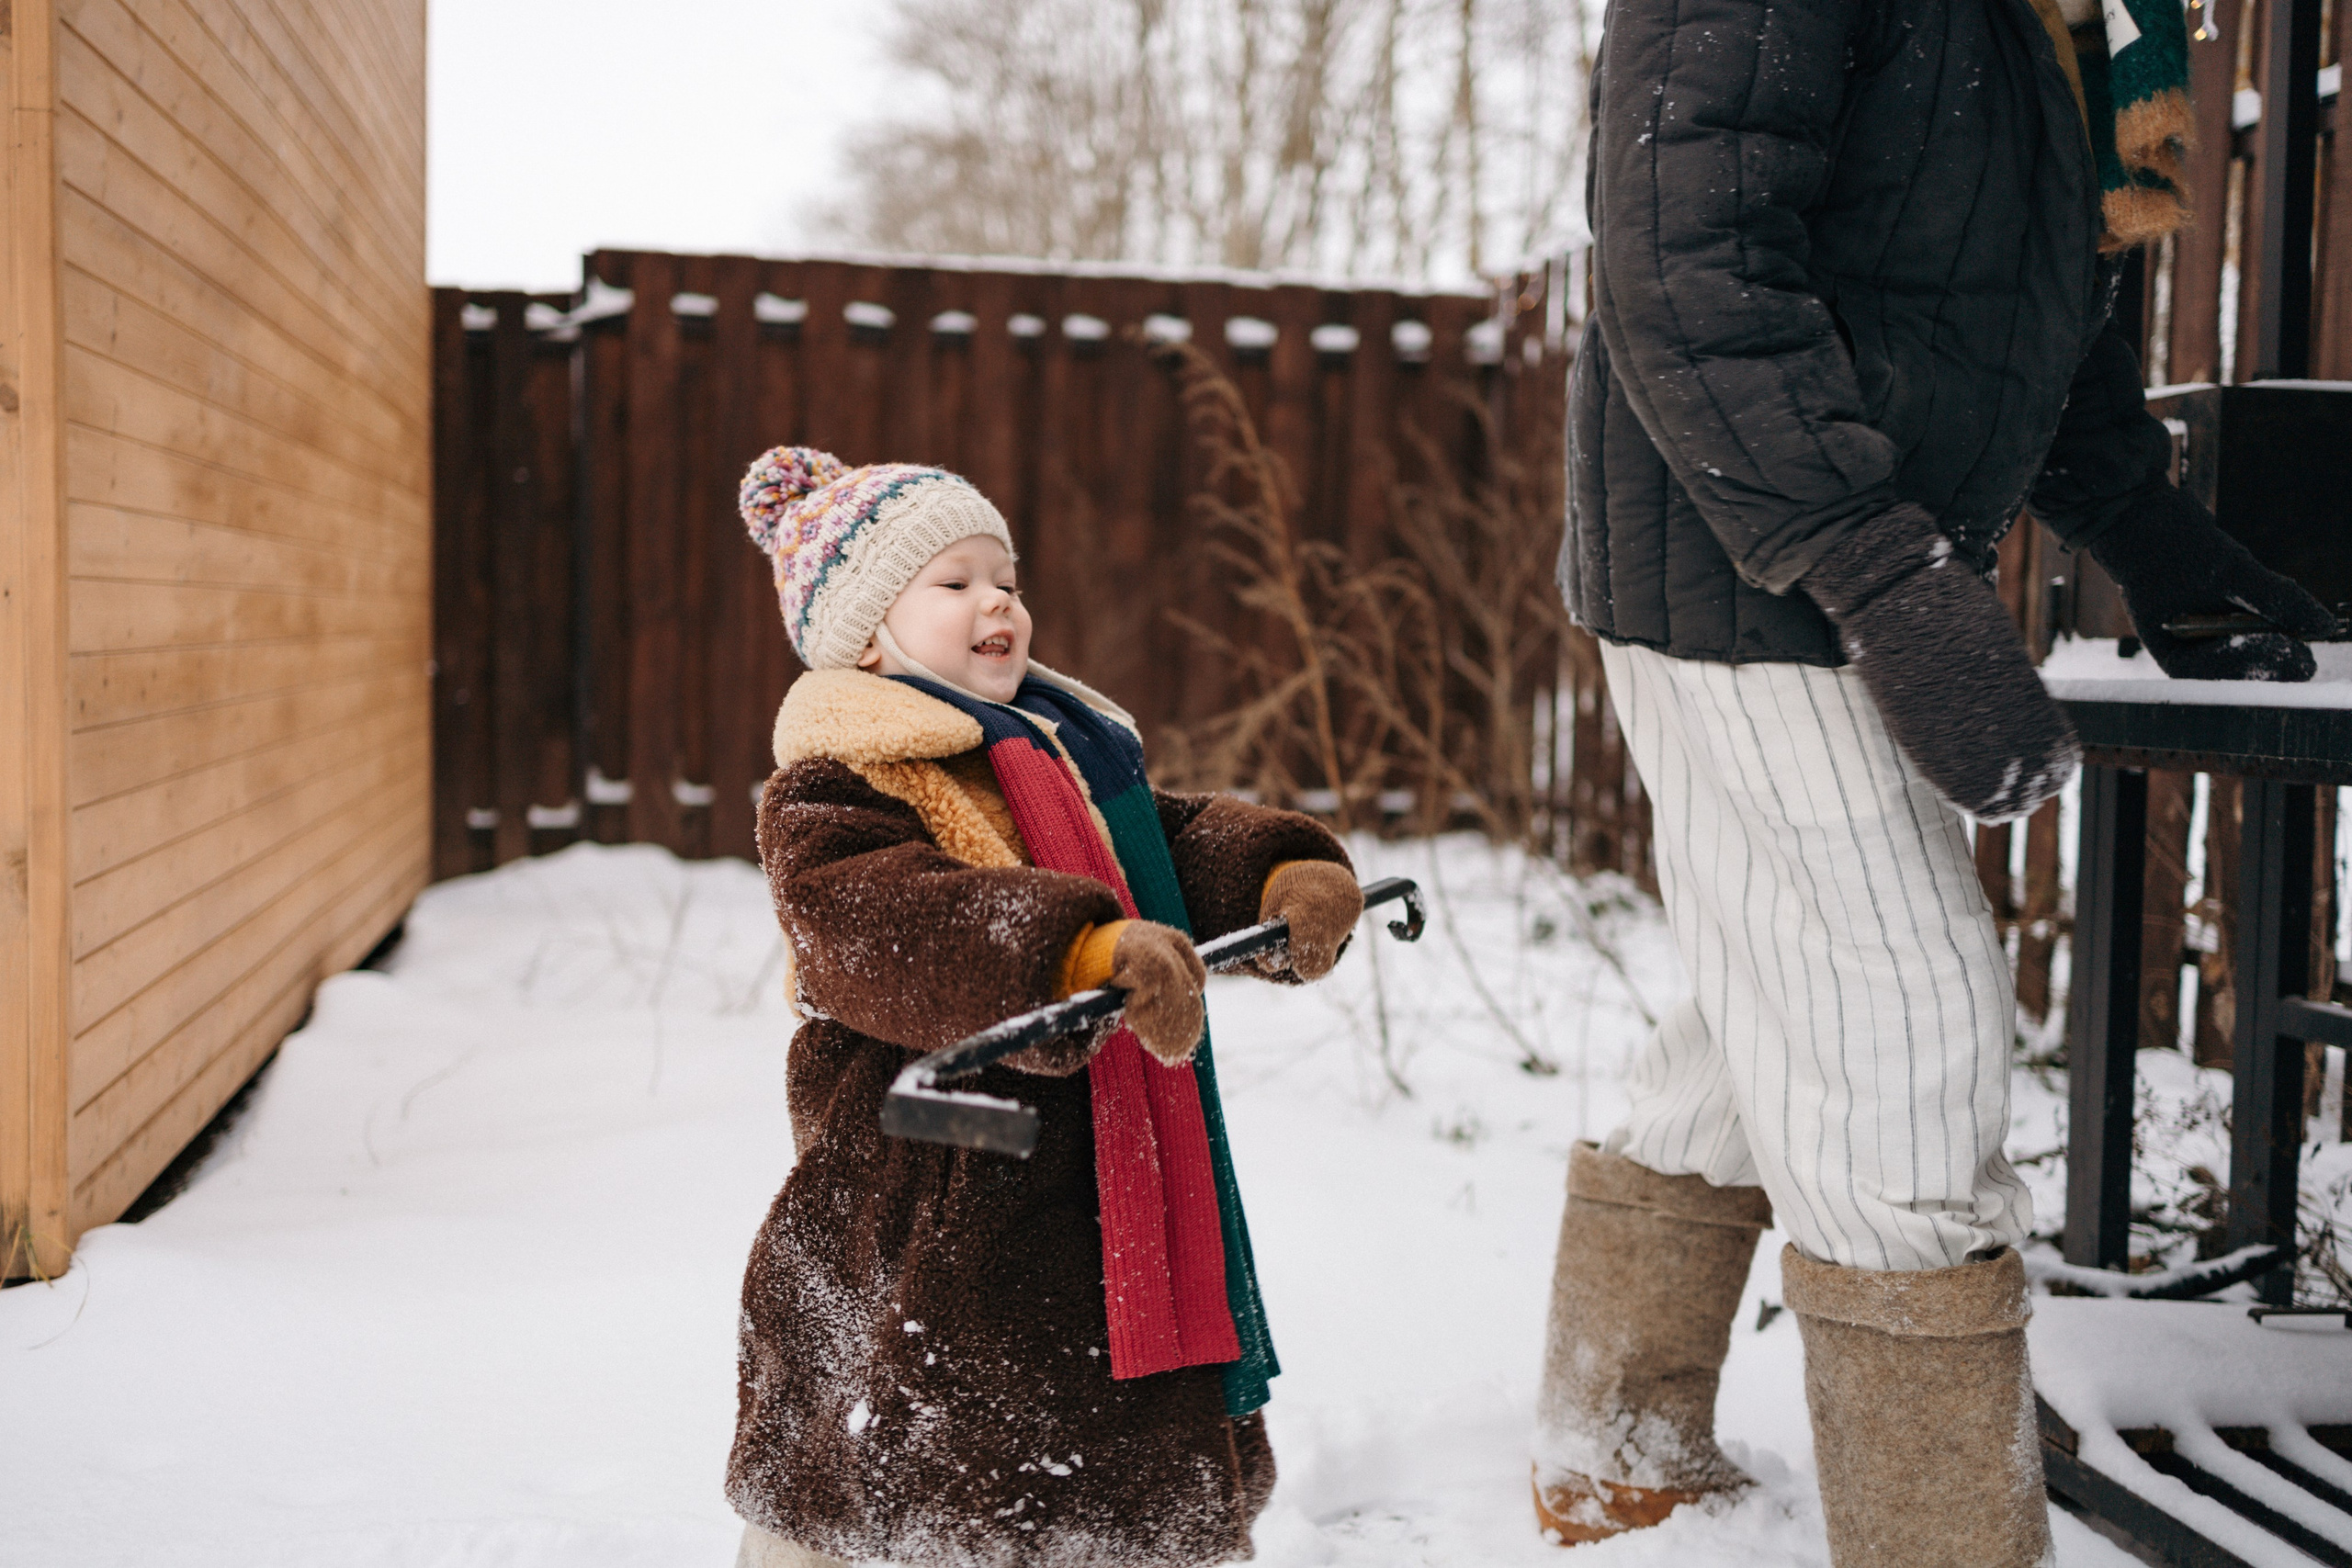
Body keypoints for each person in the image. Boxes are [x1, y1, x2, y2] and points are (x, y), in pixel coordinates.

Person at [1536, 0, 2337, 1556]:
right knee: (1900, 1018)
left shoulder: (2076, 18)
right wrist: (1886, 580)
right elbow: (1686, 266)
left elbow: (2044, 311)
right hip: (1745, 559)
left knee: (1779, 999)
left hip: (1843, 551)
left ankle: (1613, 1448)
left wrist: (2163, 545)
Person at [724, 446, 1365, 1568]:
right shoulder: (838, 784)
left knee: (1094, 1439)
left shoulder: (1062, 755)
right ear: (868, 635)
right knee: (907, 1452)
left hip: (1106, 1166)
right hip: (927, 1172)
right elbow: (877, 921)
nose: (996, 603)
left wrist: (1273, 875)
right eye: (954, 582)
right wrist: (1067, 949)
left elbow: (1166, 841)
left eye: (1005, 579)